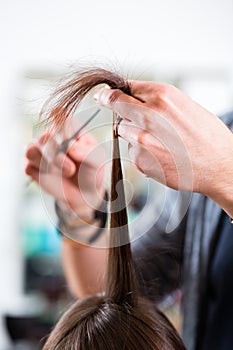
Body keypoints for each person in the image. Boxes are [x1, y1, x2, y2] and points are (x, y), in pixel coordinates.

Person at [25, 69, 233, 350]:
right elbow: (113, 293)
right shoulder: (210, 141)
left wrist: (226, 173)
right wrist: (83, 212)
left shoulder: (213, 149)